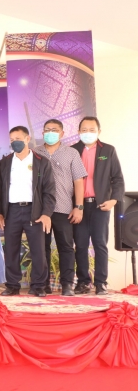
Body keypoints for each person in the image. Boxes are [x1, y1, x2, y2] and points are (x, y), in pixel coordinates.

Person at [0, 126, 56, 298]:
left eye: (18, 139)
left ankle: (38, 286)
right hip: (12, 211)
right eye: (11, 140)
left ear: (27, 139)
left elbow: (49, 191)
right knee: (11, 249)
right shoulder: (6, 162)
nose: (14, 142)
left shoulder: (41, 161)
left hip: (34, 211)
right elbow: (0, 189)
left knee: (38, 250)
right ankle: (12, 285)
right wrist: (0, 212)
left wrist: (46, 213)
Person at [71, 116, 124, 295]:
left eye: (92, 130)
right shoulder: (72, 151)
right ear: (78, 132)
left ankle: (101, 283)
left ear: (99, 131)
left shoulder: (108, 150)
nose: (88, 133)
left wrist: (113, 200)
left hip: (100, 205)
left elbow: (117, 178)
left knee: (100, 244)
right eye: (84, 130)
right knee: (80, 245)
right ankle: (83, 282)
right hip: (79, 206)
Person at [35, 119, 87, 296]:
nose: (50, 132)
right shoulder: (35, 152)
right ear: (43, 132)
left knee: (66, 247)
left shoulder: (71, 153)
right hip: (41, 210)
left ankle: (67, 285)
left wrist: (78, 206)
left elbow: (78, 181)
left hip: (64, 208)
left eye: (55, 130)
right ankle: (43, 285)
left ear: (62, 133)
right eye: (47, 129)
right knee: (42, 248)